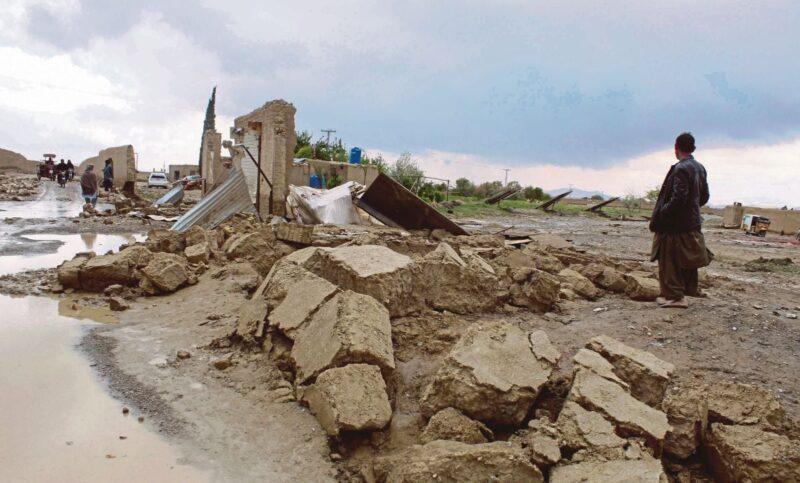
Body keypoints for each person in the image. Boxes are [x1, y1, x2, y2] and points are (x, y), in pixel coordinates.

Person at [649, 132, 713, 308]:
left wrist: (663, 213)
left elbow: (678, 198)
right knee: (686, 259)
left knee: (669, 260)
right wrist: (691, 209)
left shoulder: (681, 168)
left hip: (675, 225)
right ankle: (687, 290)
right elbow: (704, 196)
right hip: (691, 222)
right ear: (693, 148)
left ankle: (675, 297)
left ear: (676, 148)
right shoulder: (700, 167)